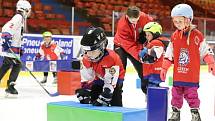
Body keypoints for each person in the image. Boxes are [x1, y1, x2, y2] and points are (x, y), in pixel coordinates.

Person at [160, 4, 215, 121]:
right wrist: (164, 68)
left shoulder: (197, 35)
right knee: (176, 95)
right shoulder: (174, 36)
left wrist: (211, 62)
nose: (177, 24)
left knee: (192, 95)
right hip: (178, 75)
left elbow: (205, 50)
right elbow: (169, 54)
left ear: (189, 20)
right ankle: (175, 113)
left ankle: (195, 114)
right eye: (175, 21)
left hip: (191, 75)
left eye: (180, 21)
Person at [75, 27, 125, 106]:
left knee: (115, 101)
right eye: (86, 51)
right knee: (94, 98)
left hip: (115, 81)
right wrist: (85, 90)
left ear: (102, 47)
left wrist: (107, 93)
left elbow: (111, 83)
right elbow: (88, 78)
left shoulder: (112, 58)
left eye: (93, 51)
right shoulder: (86, 58)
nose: (89, 54)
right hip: (98, 79)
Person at [114, 6, 153, 94]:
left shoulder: (143, 17)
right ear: (127, 16)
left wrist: (146, 34)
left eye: (137, 19)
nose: (135, 22)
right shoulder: (122, 25)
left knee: (143, 70)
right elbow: (129, 46)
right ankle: (116, 95)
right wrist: (140, 56)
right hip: (121, 45)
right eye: (133, 20)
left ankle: (148, 93)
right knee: (120, 70)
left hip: (135, 44)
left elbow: (152, 25)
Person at [0, 0, 31, 95]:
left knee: (11, 65)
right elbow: (6, 28)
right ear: (25, 9)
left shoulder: (21, 18)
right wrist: (6, 38)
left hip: (14, 48)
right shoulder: (18, 17)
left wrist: (20, 48)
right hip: (10, 48)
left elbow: (17, 34)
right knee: (13, 64)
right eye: (29, 10)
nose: (29, 12)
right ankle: (10, 86)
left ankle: (10, 86)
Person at [139, 22, 169, 87]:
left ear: (155, 34)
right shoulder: (153, 42)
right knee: (153, 91)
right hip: (154, 72)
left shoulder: (156, 42)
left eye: (148, 35)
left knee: (152, 91)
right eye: (146, 35)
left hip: (154, 72)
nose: (146, 37)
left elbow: (155, 54)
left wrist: (145, 51)